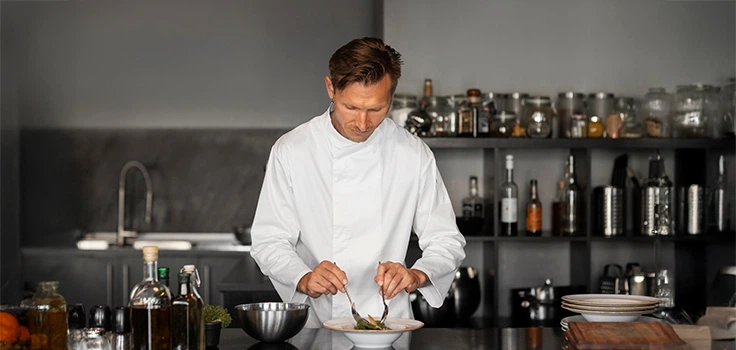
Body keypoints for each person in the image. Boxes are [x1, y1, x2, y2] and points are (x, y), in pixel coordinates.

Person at [250, 37, 466, 328]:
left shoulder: (413, 154)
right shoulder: (292, 150)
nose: (363, 123)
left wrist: (416, 275)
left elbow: (446, 241)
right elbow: (269, 241)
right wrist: (302, 278)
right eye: (351, 107)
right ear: (330, 88)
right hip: (313, 324)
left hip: (391, 323)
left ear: (391, 95)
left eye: (376, 109)